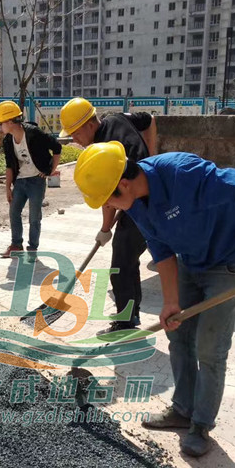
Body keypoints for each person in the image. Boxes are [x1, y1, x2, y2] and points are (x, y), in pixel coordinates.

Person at [73, 143, 235, 457]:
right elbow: (161, 250)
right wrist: (171, 301)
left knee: (210, 347)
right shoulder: (136, 203)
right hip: (190, 260)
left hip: (229, 260)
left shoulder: (185, 174)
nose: (108, 207)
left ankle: (201, 424)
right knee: (178, 334)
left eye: (108, 199)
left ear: (124, 184)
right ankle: (183, 410)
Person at [60, 97, 158, 331]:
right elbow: (150, 120)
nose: (74, 140)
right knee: (128, 261)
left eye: (76, 134)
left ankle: (126, 322)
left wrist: (105, 230)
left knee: (121, 265)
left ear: (89, 125)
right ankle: (131, 314)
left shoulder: (102, 149)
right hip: (143, 191)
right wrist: (150, 155)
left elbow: (107, 198)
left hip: (140, 202)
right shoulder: (117, 117)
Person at [0, 100, 62, 258]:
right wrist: (8, 188)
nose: (0, 126)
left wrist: (50, 170)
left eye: (1, 123)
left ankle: (32, 248)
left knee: (34, 217)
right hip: (20, 181)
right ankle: (16, 245)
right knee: (14, 212)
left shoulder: (34, 134)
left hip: (36, 181)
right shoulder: (8, 140)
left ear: (10, 122)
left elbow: (57, 147)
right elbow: (9, 166)